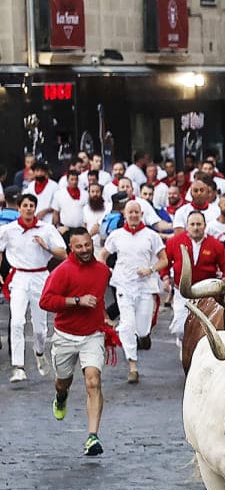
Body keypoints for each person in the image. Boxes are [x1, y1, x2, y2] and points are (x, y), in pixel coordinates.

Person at [39, 228, 113, 456]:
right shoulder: (62, 272)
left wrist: (105, 318)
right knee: (63, 382)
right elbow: (45, 301)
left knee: (93, 381)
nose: (84, 250)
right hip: (65, 336)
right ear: (70, 248)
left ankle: (93, 437)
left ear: (92, 243)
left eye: (87, 245)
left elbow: (99, 299)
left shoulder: (103, 271)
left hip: (93, 334)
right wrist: (77, 301)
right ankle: (61, 398)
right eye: (78, 246)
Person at [1, 191, 67, 382]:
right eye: (25, 206)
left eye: (32, 206)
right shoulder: (8, 229)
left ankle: (39, 352)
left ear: (35, 209)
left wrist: (46, 246)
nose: (28, 209)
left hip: (40, 277)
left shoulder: (46, 229)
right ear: (19, 208)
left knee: (39, 328)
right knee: (17, 321)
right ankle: (18, 366)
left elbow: (62, 253)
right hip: (19, 277)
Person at [102, 200, 167, 385]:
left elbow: (164, 260)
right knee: (127, 324)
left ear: (141, 214)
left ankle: (144, 336)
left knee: (142, 327)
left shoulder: (151, 236)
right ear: (125, 214)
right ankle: (133, 366)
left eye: (136, 212)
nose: (133, 215)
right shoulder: (116, 235)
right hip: (124, 285)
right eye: (130, 212)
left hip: (145, 286)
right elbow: (103, 255)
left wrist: (151, 269)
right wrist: (106, 271)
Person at [165, 211, 225, 347]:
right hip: (182, 291)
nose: (196, 227)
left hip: (206, 293)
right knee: (180, 327)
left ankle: (197, 351)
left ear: (205, 226)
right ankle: (183, 343)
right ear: (187, 226)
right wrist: (165, 277)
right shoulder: (175, 242)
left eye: (199, 224)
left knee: (204, 326)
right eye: (192, 224)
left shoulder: (215, 244)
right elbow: (165, 261)